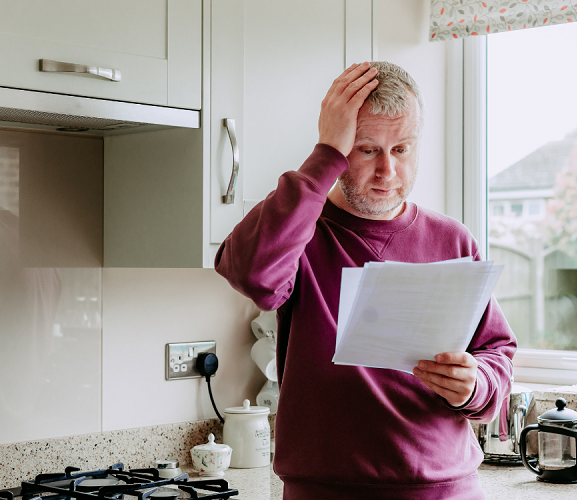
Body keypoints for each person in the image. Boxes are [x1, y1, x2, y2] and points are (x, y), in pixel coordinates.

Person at [215, 61, 516, 499]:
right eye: (367, 149)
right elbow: (254, 275)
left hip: (446, 490)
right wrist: (324, 155)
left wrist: (476, 384)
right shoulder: (304, 232)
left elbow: (496, 352)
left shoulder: (453, 240)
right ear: (338, 149)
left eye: (402, 150)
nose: (387, 173)